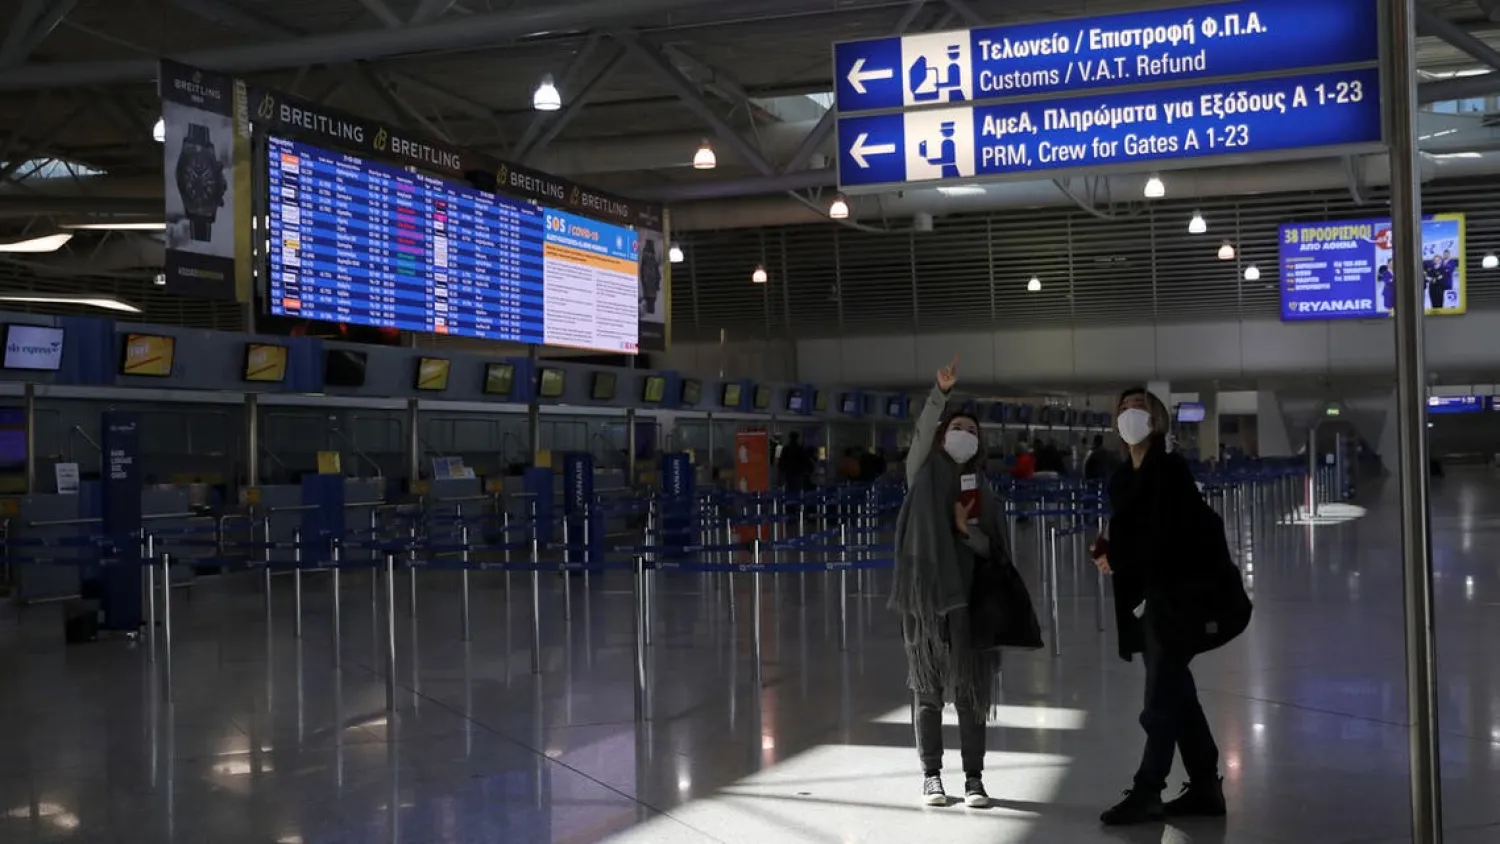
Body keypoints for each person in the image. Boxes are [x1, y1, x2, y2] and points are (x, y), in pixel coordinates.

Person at [1093, 387, 1226, 826]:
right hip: (1146, 600)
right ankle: (1205, 784)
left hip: (1176, 599)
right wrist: (1109, 551)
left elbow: (1169, 538)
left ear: (1157, 421)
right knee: (1177, 693)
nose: (1130, 414)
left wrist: (1125, 555)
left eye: (1140, 408)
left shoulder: (1170, 470)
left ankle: (1149, 788)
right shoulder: (1121, 478)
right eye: (1124, 408)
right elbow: (1134, 538)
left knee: (1159, 701)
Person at [890, 354, 1018, 809]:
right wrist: (939, 394)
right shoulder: (921, 475)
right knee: (927, 690)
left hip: (970, 601)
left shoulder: (985, 492)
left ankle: (974, 778)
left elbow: (997, 554)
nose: (963, 435)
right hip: (926, 600)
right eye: (956, 428)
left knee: (970, 690)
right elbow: (923, 431)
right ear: (942, 437)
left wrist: (969, 533)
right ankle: (931, 775)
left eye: (971, 431)